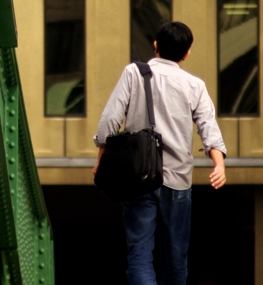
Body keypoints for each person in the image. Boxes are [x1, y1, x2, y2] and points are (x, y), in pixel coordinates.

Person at [93, 21, 227, 285]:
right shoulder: (194, 85)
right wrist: (219, 165)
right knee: (176, 258)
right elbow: (208, 126)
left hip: (137, 177)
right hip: (177, 180)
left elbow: (110, 120)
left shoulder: (134, 73)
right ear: (186, 53)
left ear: (155, 46)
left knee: (140, 255)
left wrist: (101, 160)